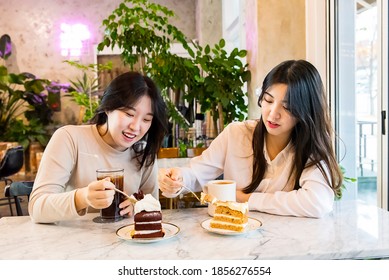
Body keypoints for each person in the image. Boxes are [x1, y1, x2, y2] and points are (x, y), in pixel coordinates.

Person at [159, 59, 343, 218]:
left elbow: (318, 202)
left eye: (287, 107)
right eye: (268, 101)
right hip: (235, 240)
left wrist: (245, 199)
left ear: (306, 111)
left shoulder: (310, 146)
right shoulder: (236, 134)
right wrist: (178, 179)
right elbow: (196, 174)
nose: (273, 114)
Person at [29, 71, 167, 223]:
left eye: (146, 119)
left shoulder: (143, 153)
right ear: (108, 108)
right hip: (74, 242)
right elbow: (37, 209)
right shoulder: (69, 139)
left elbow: (153, 209)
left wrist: (137, 207)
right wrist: (82, 198)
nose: (136, 127)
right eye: (129, 114)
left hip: (126, 243)